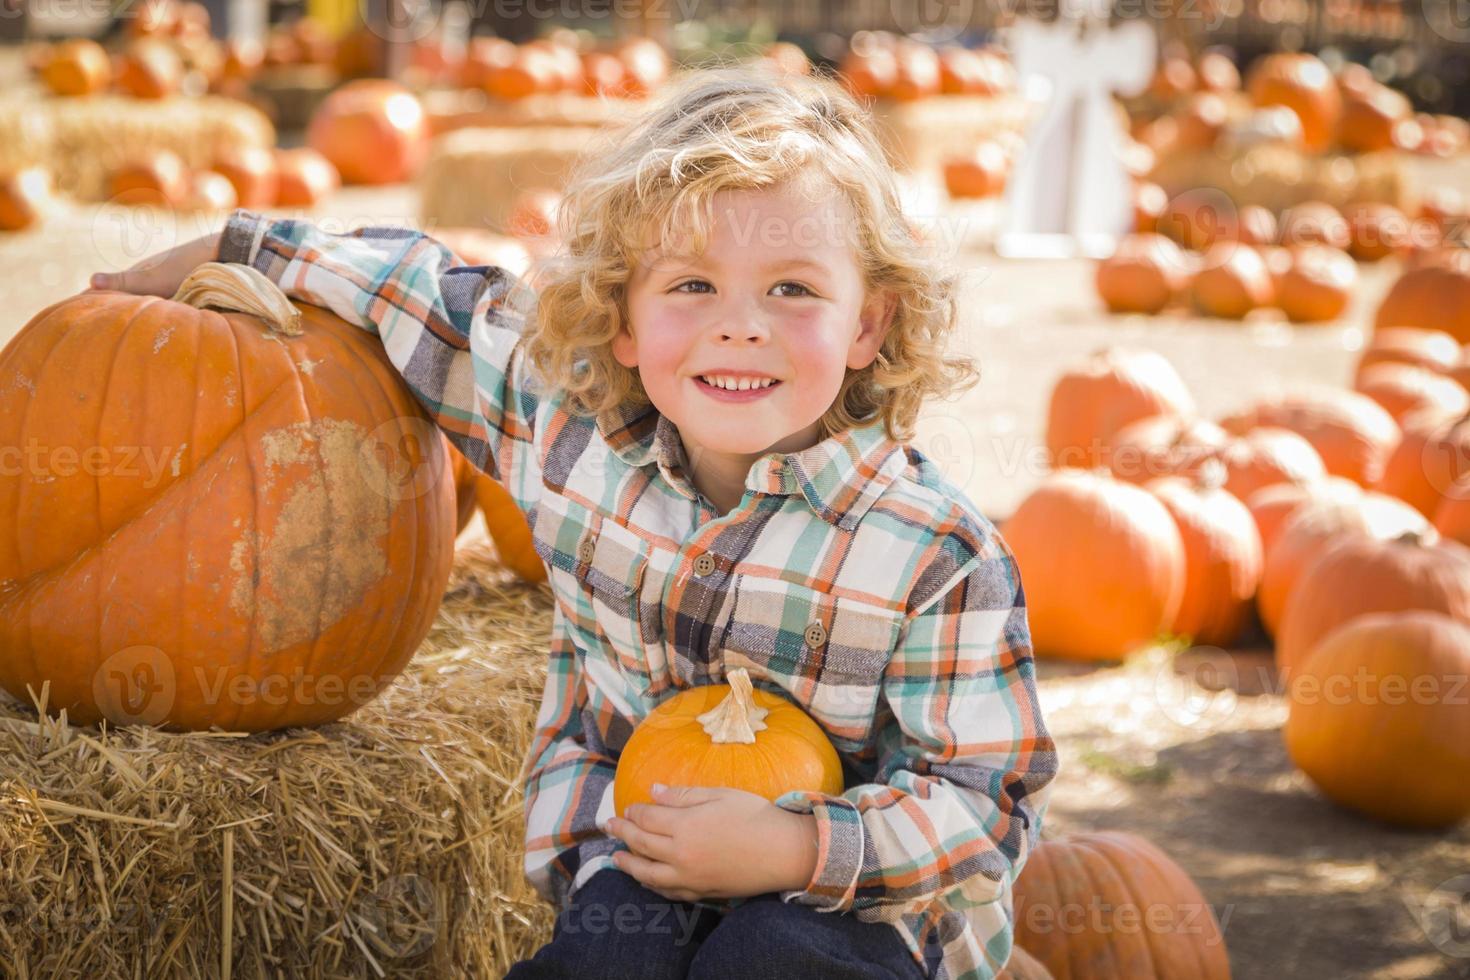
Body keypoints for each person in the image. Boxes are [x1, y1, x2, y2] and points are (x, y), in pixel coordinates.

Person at [90, 65, 1057, 980]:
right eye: (691, 285)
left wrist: (796, 845)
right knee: (606, 958)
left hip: (856, 915)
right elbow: (430, 297)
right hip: (636, 864)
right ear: (623, 320)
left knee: (771, 955)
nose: (741, 323)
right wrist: (240, 249)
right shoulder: (570, 437)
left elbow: (987, 805)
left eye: (793, 288)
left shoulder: (933, 554)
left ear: (868, 325)